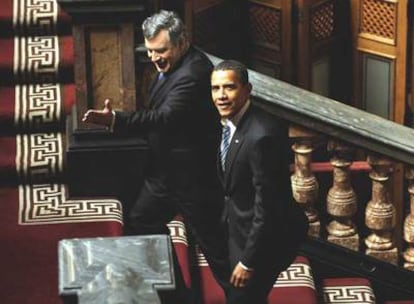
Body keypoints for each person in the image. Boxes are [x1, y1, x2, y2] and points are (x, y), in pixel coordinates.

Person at [82, 10, 229, 304]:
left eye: (160, 51)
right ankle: (177, 298)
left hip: (193, 180)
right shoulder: (174, 65)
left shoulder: (194, 73)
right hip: (166, 173)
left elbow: (165, 117)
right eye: (149, 50)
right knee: (141, 222)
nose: (154, 57)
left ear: (182, 43)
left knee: (216, 251)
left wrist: (115, 120)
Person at [210, 59, 309, 304]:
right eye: (215, 88)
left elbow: (269, 208)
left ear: (247, 90)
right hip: (239, 230)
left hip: (266, 242)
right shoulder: (230, 123)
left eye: (229, 87)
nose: (221, 96)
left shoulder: (262, 136)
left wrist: (248, 261)